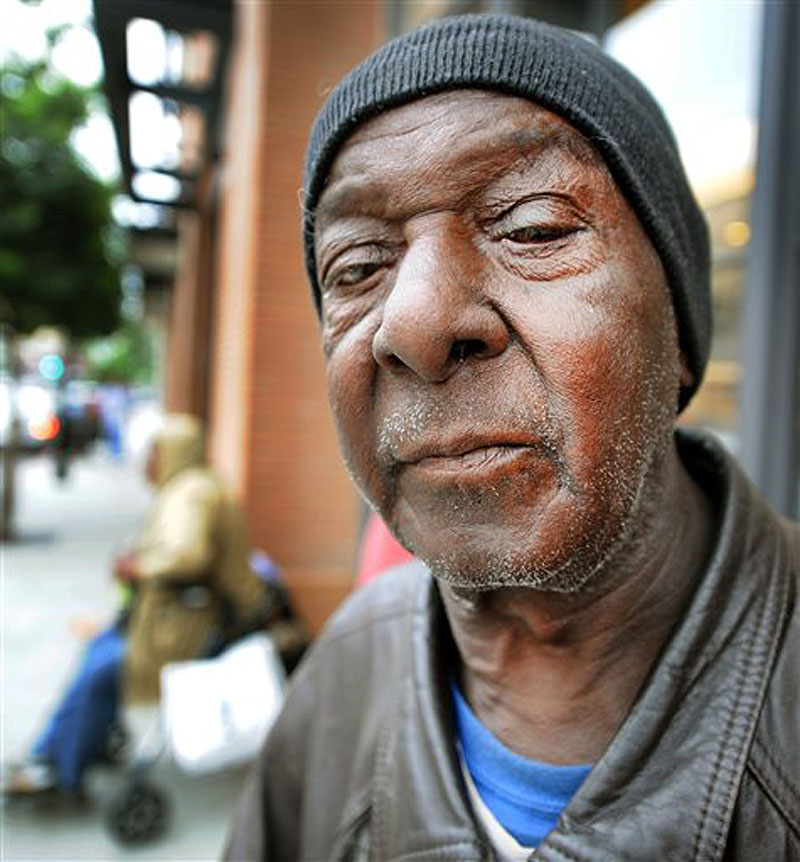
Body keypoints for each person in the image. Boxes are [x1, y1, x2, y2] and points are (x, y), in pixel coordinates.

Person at [224, 13, 799, 861]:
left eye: (533, 227)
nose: (413, 323)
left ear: (678, 329)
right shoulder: (345, 670)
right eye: (358, 268)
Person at [6, 413, 265, 798]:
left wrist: (139, 567)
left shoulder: (190, 494)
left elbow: (187, 555)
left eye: (154, 453)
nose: (148, 463)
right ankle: (52, 754)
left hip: (189, 626)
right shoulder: (195, 486)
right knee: (100, 653)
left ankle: (59, 768)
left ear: (172, 452)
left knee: (103, 668)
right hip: (182, 617)